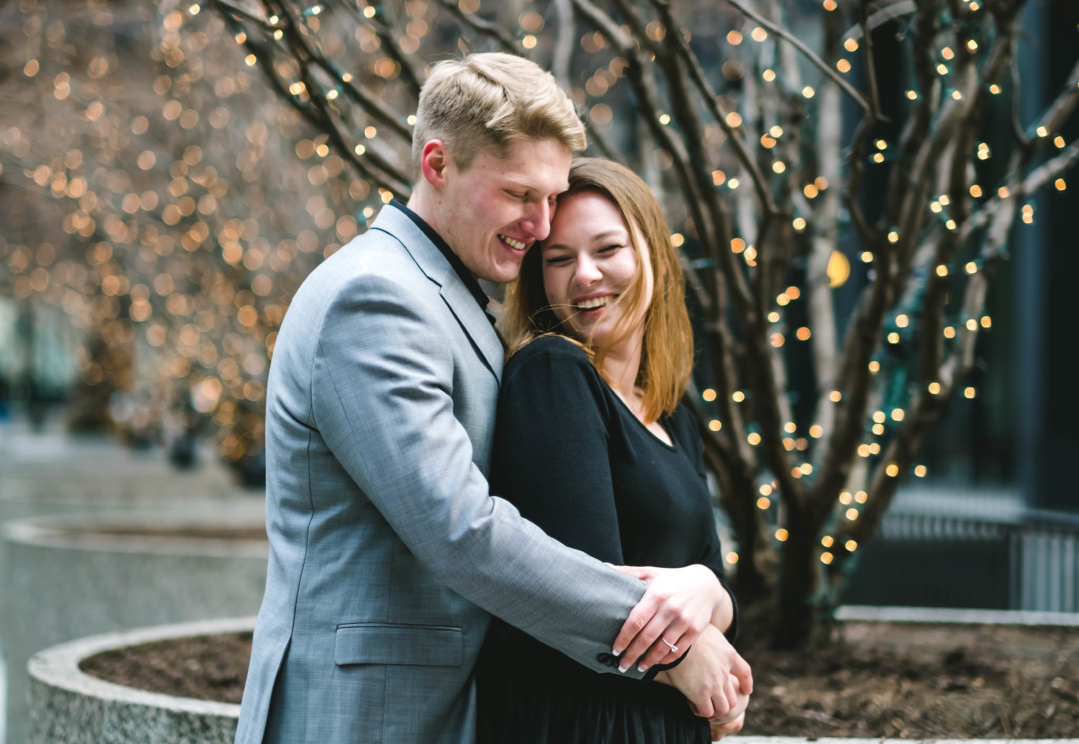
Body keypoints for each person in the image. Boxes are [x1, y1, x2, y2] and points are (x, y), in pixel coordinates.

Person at [234, 53, 750, 744]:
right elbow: (461, 530)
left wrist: (708, 594)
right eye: (519, 195)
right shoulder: (375, 297)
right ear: (438, 164)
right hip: (364, 716)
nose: (541, 225)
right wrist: (674, 645)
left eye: (551, 196)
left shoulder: (452, 300)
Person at [477, 158, 751, 743]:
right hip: (586, 721)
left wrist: (704, 587)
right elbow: (585, 590)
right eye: (559, 259)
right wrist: (692, 645)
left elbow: (723, 595)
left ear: (650, 251)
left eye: (607, 250)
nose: (585, 276)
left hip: (663, 723)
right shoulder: (554, 372)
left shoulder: (673, 416)